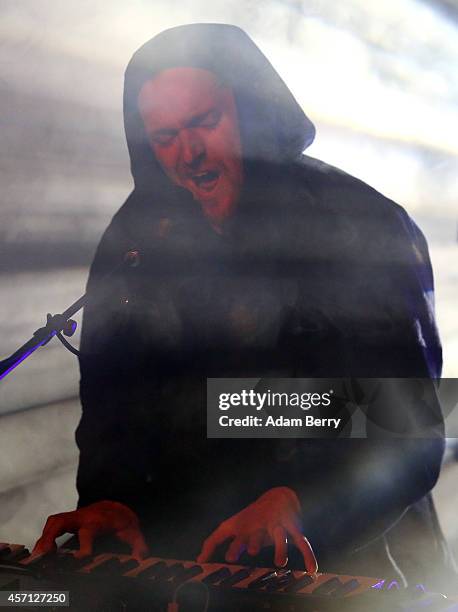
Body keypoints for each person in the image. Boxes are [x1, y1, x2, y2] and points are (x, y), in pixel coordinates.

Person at [34, 23, 453, 588]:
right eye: (164, 136)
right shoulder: (134, 239)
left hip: (355, 569)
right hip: (185, 566)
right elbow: (115, 404)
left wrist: (298, 496)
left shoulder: (363, 225)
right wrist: (113, 498)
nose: (189, 153)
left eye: (206, 122)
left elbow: (408, 430)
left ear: (254, 113)